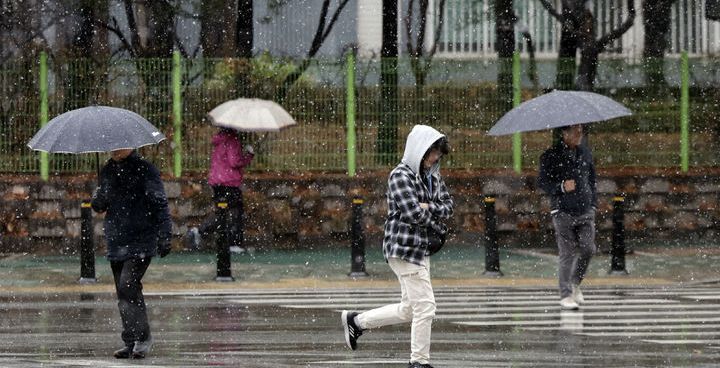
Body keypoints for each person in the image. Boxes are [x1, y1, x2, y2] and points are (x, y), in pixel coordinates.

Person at [341, 125, 453, 368]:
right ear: (419, 150)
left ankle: (357, 322)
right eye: (431, 152)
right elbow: (413, 213)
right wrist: (432, 214)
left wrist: (428, 207)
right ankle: (418, 362)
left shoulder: (432, 176)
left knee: (410, 309)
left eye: (437, 154)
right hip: (403, 248)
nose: (435, 158)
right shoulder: (400, 176)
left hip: (421, 248)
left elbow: (448, 206)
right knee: (426, 307)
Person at [91, 148, 172, 359]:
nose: (115, 151)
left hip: (141, 238)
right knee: (123, 291)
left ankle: (143, 337)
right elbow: (100, 206)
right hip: (117, 238)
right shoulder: (108, 170)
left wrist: (165, 234)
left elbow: (159, 202)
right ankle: (130, 339)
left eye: (119, 146)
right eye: (111, 147)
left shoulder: (145, 170)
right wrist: (98, 196)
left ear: (131, 146)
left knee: (128, 285)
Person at [537, 124, 597, 310]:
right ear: (564, 133)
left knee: (588, 249)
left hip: (585, 210)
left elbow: (592, 180)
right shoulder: (551, 156)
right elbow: (543, 182)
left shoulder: (585, 153)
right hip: (563, 211)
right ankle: (565, 295)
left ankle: (575, 282)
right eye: (574, 131)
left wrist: (593, 203)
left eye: (581, 130)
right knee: (567, 253)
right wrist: (561, 187)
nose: (579, 134)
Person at [186, 128, 254, 253]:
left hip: (217, 182)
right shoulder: (232, 140)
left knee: (221, 212)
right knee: (236, 211)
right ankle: (234, 243)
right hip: (229, 182)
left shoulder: (220, 139)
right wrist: (249, 156)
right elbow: (234, 162)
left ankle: (200, 231)